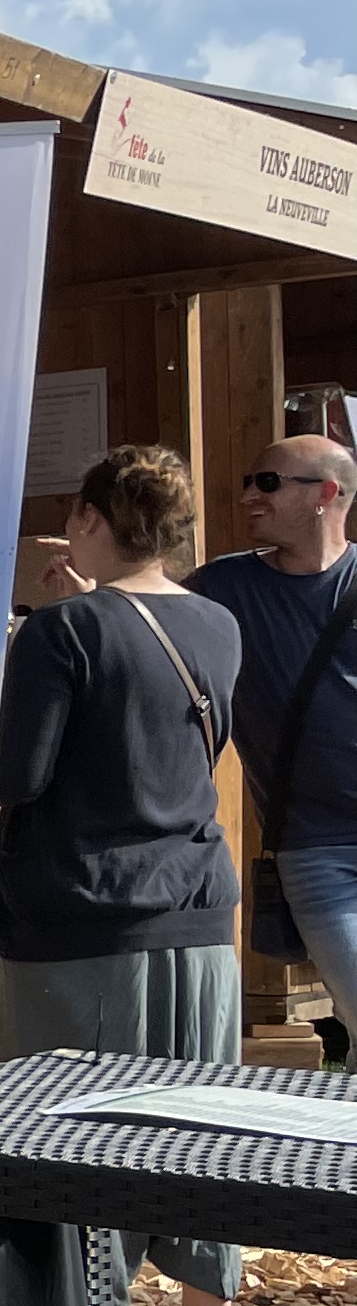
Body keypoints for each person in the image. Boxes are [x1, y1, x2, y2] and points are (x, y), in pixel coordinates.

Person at [0, 446, 249, 1306]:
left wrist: (40, 636)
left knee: (74, 1135)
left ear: (93, 518)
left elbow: (14, 775)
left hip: (83, 917)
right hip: (197, 914)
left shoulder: (60, 634)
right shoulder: (218, 623)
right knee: (204, 1126)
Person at [189, 434, 357, 1043]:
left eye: (267, 482)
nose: (246, 497)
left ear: (326, 495)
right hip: (317, 850)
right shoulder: (221, 589)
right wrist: (93, 603)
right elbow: (151, 634)